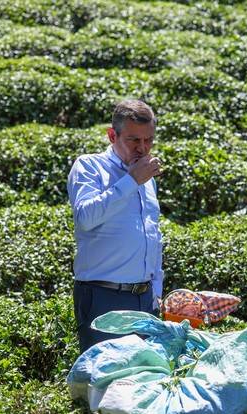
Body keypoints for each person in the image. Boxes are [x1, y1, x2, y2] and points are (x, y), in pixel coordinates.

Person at [67, 99, 163, 353]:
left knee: (143, 382)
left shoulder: (147, 178)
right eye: (134, 140)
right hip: (103, 295)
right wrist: (131, 181)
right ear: (112, 135)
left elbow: (152, 233)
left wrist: (157, 290)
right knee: (105, 384)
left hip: (145, 298)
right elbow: (86, 217)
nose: (143, 148)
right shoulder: (90, 166)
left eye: (149, 140)